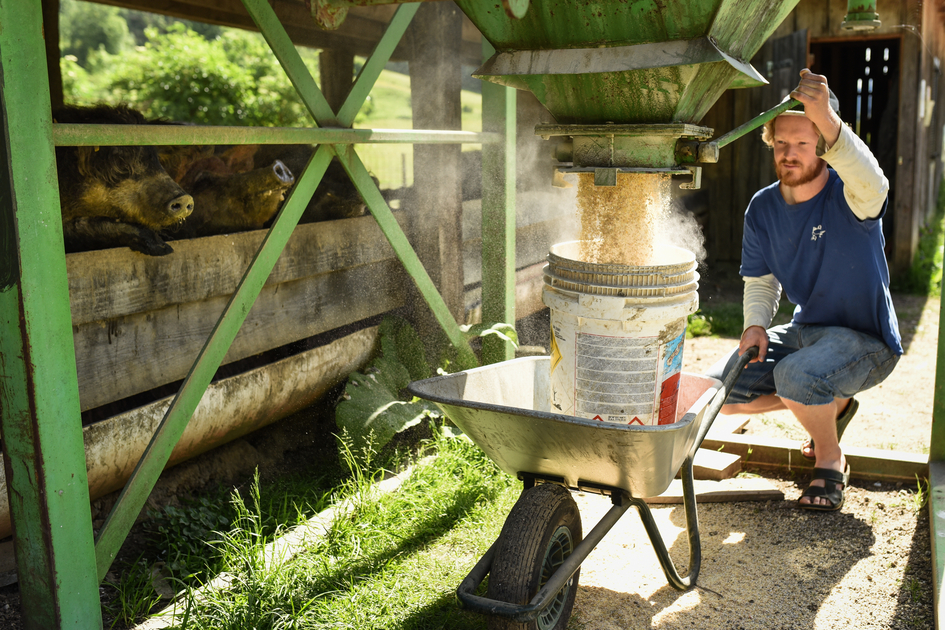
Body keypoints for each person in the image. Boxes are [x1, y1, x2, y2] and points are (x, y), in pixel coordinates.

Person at [706, 69, 902, 512]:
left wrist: (827, 118)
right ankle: (829, 404)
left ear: (824, 147)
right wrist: (755, 325)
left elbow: (876, 182)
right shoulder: (762, 206)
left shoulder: (852, 195)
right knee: (715, 393)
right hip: (805, 331)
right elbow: (761, 278)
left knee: (795, 376)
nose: (789, 154)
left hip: (866, 341)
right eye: (781, 144)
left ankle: (830, 460)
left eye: (803, 143)